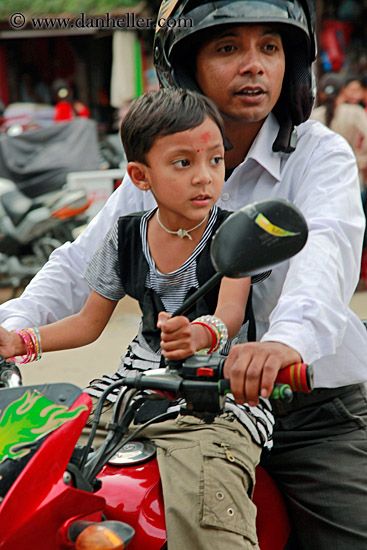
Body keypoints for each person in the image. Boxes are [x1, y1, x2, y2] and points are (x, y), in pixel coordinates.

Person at [0, 0, 367, 548]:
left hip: (311, 409)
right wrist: (11, 329)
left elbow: (326, 258)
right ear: (186, 67)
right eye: (228, 48)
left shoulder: (319, 155)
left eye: (270, 47)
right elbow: (79, 267)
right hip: (166, 399)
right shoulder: (152, 172)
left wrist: (284, 343)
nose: (255, 65)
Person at [0, 88, 273, 550]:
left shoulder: (234, 232)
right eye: (183, 163)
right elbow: (88, 323)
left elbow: (229, 312)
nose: (205, 177)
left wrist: (199, 334)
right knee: (34, 457)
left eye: (215, 160)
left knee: (207, 506)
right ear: (140, 176)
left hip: (217, 397)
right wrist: (20, 342)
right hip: (128, 388)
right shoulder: (124, 238)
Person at [310, 72, 367, 187]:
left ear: (321, 93)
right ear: (343, 90)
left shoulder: (314, 116)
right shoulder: (355, 112)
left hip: (322, 177)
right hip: (352, 174)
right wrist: (361, 160)